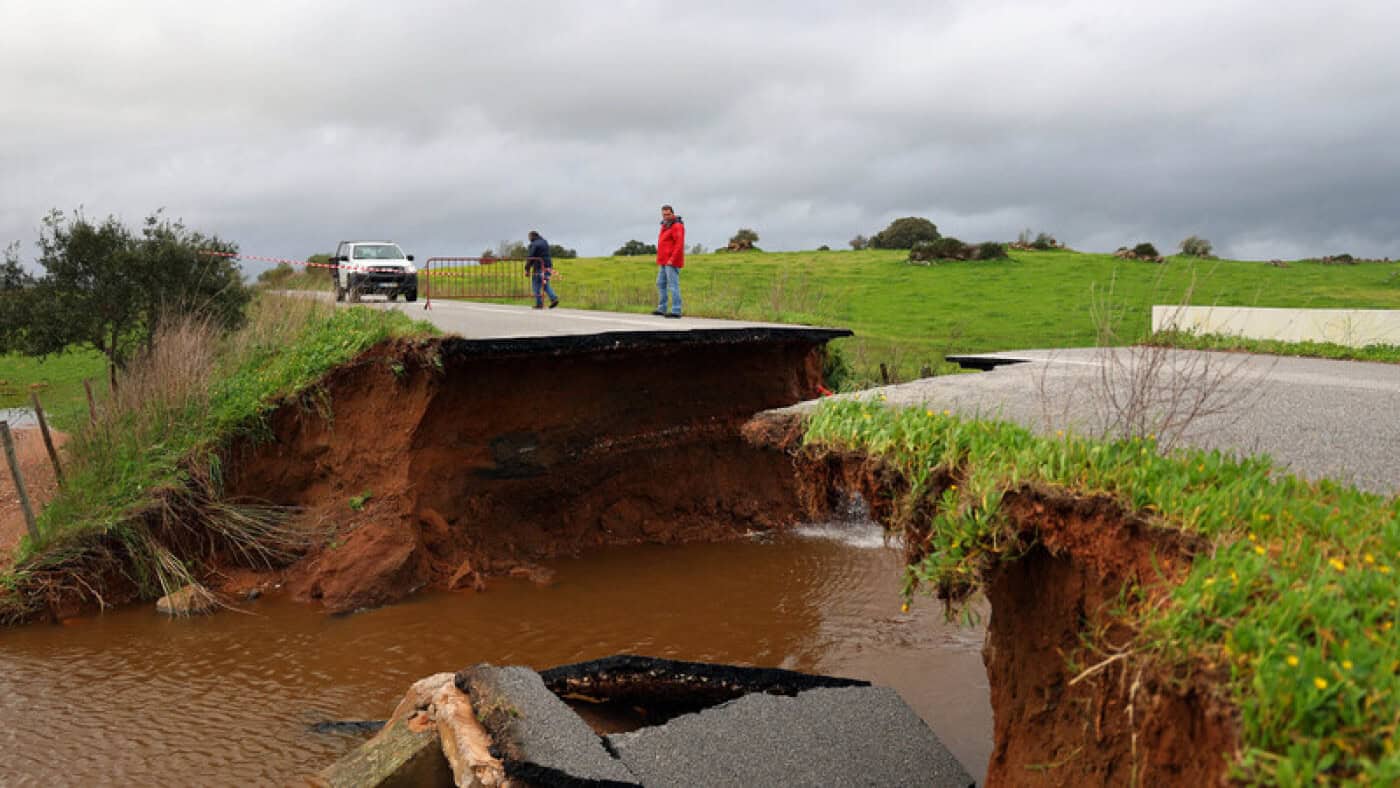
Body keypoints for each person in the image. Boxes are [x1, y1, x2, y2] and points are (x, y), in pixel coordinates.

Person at [654, 204, 685, 318]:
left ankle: (676, 310)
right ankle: (662, 308)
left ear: (673, 213)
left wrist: (672, 259)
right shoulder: (665, 225)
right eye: (664, 215)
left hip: (671, 261)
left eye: (668, 214)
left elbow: (679, 244)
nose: (666, 216)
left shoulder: (677, 225)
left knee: (673, 285)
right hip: (663, 260)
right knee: (660, 283)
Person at [525, 230, 559, 309]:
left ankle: (539, 303)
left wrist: (527, 269)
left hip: (538, 267)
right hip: (548, 266)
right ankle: (553, 298)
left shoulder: (534, 244)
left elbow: (531, 257)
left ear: (532, 236)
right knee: (545, 284)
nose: (529, 238)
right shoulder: (545, 242)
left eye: (529, 237)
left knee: (535, 286)